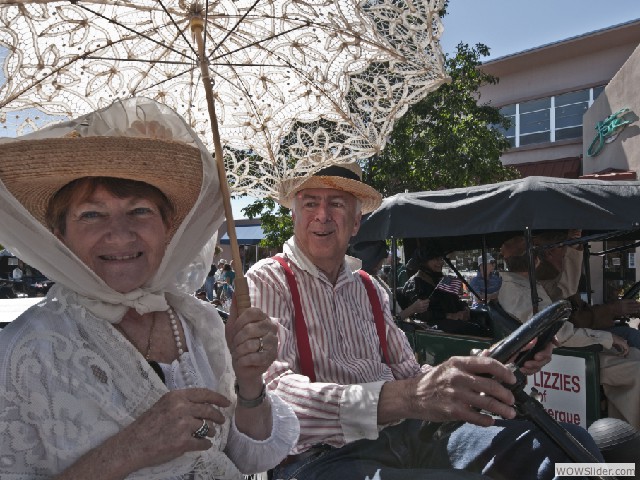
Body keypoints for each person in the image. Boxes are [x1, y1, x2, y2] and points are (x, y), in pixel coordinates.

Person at [0, 97, 299, 479]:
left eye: (140, 210)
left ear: (167, 226)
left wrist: (250, 381)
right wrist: (133, 447)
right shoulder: (26, 352)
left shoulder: (199, 323)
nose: (120, 234)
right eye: (91, 214)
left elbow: (248, 458)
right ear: (60, 235)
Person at [245, 162, 602, 480]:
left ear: (355, 223)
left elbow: (409, 376)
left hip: (407, 436)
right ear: (295, 216)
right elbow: (273, 396)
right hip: (320, 458)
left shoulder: (369, 288)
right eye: (310, 203)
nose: (322, 215)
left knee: (569, 448)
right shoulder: (268, 279)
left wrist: (484, 364)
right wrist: (403, 399)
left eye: (336, 204)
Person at [498, 235, 640, 430]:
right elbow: (562, 335)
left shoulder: (526, 285)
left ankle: (621, 427)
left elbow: (565, 290)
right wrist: (608, 338)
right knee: (636, 370)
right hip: (561, 355)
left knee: (634, 354)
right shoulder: (521, 292)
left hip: (563, 352)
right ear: (536, 259)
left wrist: (574, 244)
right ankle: (627, 439)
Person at [536, 230, 640, 349]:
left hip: (581, 337)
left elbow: (581, 312)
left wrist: (618, 310)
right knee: (632, 336)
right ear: (550, 253)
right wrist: (612, 309)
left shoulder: (559, 279)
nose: (571, 253)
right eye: (567, 247)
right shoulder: (547, 283)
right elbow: (576, 322)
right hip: (572, 344)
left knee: (628, 333)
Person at [400, 245, 489, 336]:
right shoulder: (415, 283)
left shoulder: (441, 279)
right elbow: (420, 314)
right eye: (435, 259)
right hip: (431, 327)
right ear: (424, 262)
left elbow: (454, 299)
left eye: (441, 259)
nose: (440, 263)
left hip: (453, 320)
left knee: (486, 318)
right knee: (473, 329)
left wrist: (465, 309)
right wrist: (448, 316)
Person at [350, 240, 430, 322]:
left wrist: (413, 323)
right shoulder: (364, 287)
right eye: (381, 260)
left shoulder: (375, 279)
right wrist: (412, 309)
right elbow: (386, 321)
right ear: (374, 262)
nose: (382, 265)